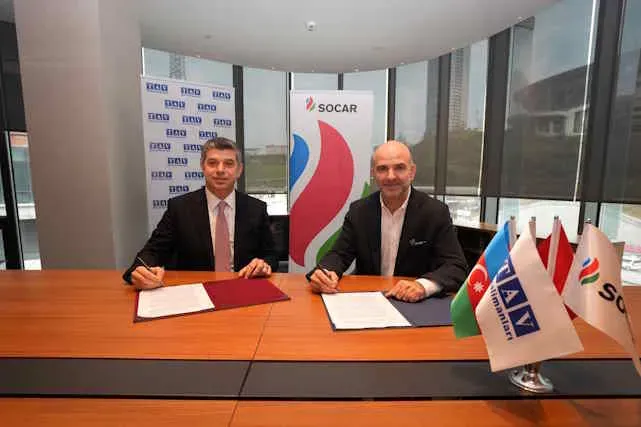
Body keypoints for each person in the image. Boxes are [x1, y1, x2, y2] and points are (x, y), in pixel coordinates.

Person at [306, 140, 467, 302]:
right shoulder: (359, 211)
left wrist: (423, 286)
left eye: (399, 168)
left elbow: (456, 267)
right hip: (369, 299)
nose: (391, 176)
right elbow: (339, 254)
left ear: (412, 172)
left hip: (415, 303)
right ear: (374, 173)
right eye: (382, 169)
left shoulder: (435, 212)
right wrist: (325, 273)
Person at [123, 137, 277, 289]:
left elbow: (271, 255)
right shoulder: (179, 208)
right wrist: (139, 272)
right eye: (212, 163)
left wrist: (264, 264)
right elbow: (153, 251)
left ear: (239, 170)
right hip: (194, 291)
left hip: (243, 288)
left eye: (229, 164)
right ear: (203, 167)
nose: (220, 170)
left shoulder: (256, 209)